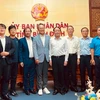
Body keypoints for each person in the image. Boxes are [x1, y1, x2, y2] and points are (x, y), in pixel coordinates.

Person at [49, 27, 69, 95]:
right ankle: (56, 89)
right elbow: (50, 50)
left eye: (58, 30)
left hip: (62, 58)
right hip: (54, 58)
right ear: (53, 32)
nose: (57, 32)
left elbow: (66, 50)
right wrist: (50, 59)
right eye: (55, 31)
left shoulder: (64, 40)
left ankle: (62, 88)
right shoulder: (51, 40)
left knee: (62, 74)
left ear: (60, 32)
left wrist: (66, 60)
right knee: (55, 74)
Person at [33, 23, 50, 96]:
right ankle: (39, 88)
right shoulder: (35, 38)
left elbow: (50, 48)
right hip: (39, 59)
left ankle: (45, 87)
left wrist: (49, 57)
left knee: (45, 74)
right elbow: (34, 49)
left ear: (44, 28)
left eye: (43, 28)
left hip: (46, 58)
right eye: (40, 28)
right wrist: (36, 58)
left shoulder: (48, 37)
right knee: (39, 74)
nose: (42, 29)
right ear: (38, 29)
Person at [19, 27, 36, 95]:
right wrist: (21, 61)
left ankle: (31, 88)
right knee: (25, 75)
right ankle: (26, 89)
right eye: (26, 31)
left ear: (31, 32)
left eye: (29, 31)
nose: (28, 32)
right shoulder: (21, 40)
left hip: (33, 60)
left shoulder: (34, 39)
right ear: (24, 32)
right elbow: (20, 51)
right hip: (25, 60)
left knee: (32, 75)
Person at [0, 23, 15, 100]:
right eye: (0, 28)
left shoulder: (9, 39)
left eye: (3, 28)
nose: (1, 29)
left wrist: (8, 53)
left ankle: (4, 93)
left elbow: (13, 48)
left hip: (7, 61)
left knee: (6, 78)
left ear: (5, 30)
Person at [64, 25, 80, 92]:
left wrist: (78, 58)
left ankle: (73, 86)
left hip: (74, 56)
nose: (70, 30)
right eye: (69, 29)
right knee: (66, 72)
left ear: (73, 30)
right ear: (67, 31)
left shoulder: (76, 38)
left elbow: (78, 49)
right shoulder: (64, 38)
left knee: (73, 72)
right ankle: (66, 86)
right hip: (66, 57)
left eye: (71, 29)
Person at [80, 27, 93, 92]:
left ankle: (90, 86)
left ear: (88, 32)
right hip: (81, 57)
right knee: (82, 72)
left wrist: (92, 58)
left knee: (90, 72)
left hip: (89, 57)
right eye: (83, 31)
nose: (85, 32)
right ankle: (83, 86)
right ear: (81, 32)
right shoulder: (79, 40)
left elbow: (92, 49)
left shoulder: (91, 40)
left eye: (86, 31)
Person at [8, 25, 19, 96]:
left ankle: (13, 90)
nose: (13, 31)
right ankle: (5, 91)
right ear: (9, 31)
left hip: (16, 62)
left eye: (14, 29)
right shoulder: (6, 39)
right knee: (6, 77)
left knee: (14, 77)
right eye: (11, 29)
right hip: (8, 62)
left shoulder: (17, 40)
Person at [90, 26, 100, 92]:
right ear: (97, 31)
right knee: (97, 73)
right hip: (97, 58)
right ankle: (97, 87)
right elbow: (92, 49)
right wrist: (92, 59)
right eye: (99, 30)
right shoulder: (94, 39)